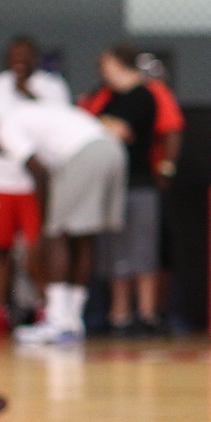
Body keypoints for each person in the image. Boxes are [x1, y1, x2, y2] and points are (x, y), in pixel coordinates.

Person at [0, 36, 72, 336]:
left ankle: (45, 310)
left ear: (37, 58)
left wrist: (29, 95)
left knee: (39, 249)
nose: (19, 61)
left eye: (26, 56)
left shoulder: (53, 87)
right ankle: (0, 310)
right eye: (14, 56)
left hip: (39, 184)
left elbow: (61, 125)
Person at [0, 99, 124, 345]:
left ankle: (57, 321)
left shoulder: (4, 128)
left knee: (58, 235)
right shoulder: (41, 111)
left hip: (83, 155)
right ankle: (72, 320)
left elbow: (38, 170)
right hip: (112, 150)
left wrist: (44, 221)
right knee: (83, 237)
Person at [79, 46, 184, 335]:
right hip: (110, 183)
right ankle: (120, 314)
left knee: (143, 249)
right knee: (115, 251)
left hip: (140, 180)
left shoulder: (148, 93)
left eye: (106, 64)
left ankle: (147, 313)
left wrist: (166, 168)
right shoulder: (104, 96)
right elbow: (84, 122)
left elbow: (162, 130)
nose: (101, 70)